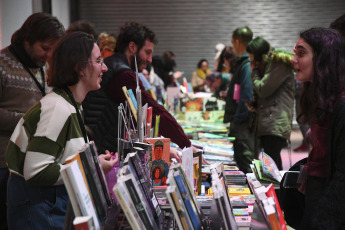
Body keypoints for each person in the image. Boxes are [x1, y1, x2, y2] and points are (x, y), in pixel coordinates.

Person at [5, 32, 118, 229]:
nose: (105, 67)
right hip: (40, 208)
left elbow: (63, 160)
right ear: (79, 67)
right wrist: (92, 168)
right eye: (99, 61)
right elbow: (36, 171)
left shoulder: (70, 104)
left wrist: (94, 163)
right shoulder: (58, 108)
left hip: (49, 205)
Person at [83, 22, 202, 163]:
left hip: (101, 148)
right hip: (103, 151)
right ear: (132, 47)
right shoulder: (123, 75)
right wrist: (186, 144)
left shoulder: (115, 66)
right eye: (147, 52)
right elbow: (153, 110)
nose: (150, 59)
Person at [0, 12, 65, 229]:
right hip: (3, 163)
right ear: (27, 40)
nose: (48, 55)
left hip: (29, 167)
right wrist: (27, 121)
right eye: (44, 48)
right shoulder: (2, 65)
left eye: (52, 50)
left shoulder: (43, 67)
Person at [290, 28, 345, 230]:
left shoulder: (341, 105)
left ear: (323, 58)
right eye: (295, 52)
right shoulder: (321, 99)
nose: (293, 59)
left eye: (301, 53)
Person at [246, 37, 294, 170]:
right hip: (269, 121)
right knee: (269, 161)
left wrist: (254, 71)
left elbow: (263, 88)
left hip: (276, 122)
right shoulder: (268, 65)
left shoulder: (278, 65)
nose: (252, 62)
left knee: (272, 163)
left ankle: (278, 190)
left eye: (252, 58)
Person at [223, 27, 255, 174]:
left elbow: (246, 96)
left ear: (237, 41)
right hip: (242, 123)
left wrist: (237, 120)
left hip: (243, 125)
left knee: (246, 162)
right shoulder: (244, 63)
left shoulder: (246, 64)